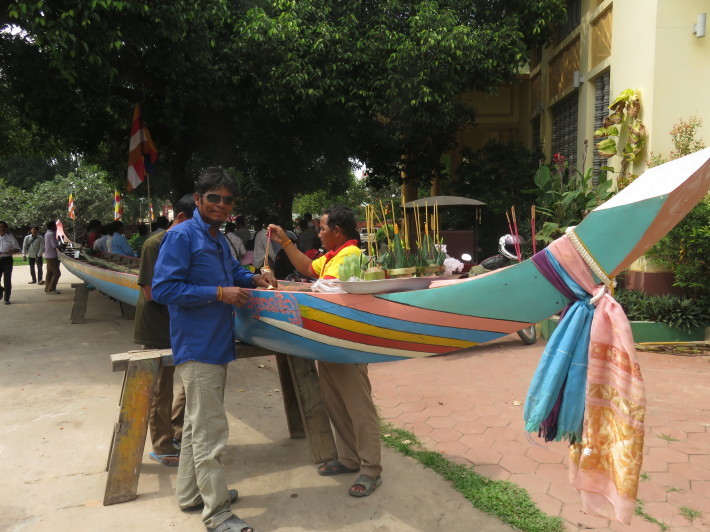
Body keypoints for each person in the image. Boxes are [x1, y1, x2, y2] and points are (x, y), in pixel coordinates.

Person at [152, 167, 276, 532]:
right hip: (197, 346)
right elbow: (163, 289)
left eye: (228, 200)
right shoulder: (182, 237)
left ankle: (191, 495)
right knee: (210, 433)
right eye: (214, 198)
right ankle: (218, 513)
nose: (221, 205)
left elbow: (231, 274)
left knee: (195, 427)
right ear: (199, 198)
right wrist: (218, 294)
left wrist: (252, 277)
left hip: (216, 342)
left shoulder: (217, 238)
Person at [267, 205, 383, 497]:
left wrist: (284, 290)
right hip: (327, 343)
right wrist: (285, 242)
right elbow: (307, 270)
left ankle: (371, 469)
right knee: (335, 403)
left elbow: (325, 291)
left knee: (359, 408)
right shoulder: (332, 256)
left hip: (348, 345)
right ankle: (348, 458)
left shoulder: (352, 256)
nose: (318, 233)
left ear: (338, 231)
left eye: (322, 228)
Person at [134, 194, 196, 468]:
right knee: (161, 389)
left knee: (192, 381)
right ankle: (162, 443)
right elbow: (150, 293)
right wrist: (197, 295)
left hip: (183, 322)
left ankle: (176, 430)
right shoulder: (154, 245)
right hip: (158, 325)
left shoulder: (189, 243)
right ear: (181, 218)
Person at [0, 221, 21, 305]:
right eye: (0, 227)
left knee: (7, 280)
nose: (2, 228)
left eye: (3, 227)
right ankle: (1, 289)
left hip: (7, 260)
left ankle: (7, 298)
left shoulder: (10, 238)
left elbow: (17, 249)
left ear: (6, 228)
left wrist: (12, 251)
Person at [44, 221, 61, 295]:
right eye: (55, 226)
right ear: (52, 227)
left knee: (49, 273)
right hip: (52, 256)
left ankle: (47, 287)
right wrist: (60, 245)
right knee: (57, 273)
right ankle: (51, 289)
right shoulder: (52, 234)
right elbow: (54, 245)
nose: (56, 228)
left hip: (48, 255)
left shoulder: (47, 233)